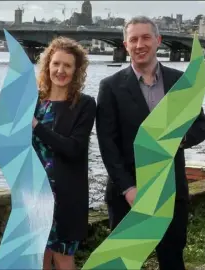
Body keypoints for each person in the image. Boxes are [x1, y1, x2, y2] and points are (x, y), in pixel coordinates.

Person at [96, 16, 205, 270]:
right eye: (133, 39)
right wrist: (128, 189)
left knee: (172, 260)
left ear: (158, 41)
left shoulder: (179, 81)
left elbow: (201, 124)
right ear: (125, 45)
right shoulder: (110, 86)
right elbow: (107, 143)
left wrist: (180, 140)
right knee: (121, 264)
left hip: (171, 190)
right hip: (128, 195)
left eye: (145, 37)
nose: (139, 44)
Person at [32, 37, 96, 270]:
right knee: (38, 258)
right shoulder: (33, 102)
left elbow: (74, 148)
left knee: (62, 258)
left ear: (76, 70)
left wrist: (37, 126)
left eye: (67, 66)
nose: (60, 70)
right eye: (56, 63)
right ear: (47, 65)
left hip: (66, 196)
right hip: (34, 194)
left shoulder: (85, 105)